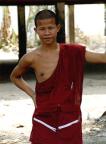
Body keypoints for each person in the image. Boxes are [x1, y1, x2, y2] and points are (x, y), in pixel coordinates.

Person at [10, 9, 106, 144]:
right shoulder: (30, 58)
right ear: (36, 30)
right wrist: (32, 94)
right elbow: (15, 77)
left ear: (58, 28)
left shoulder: (73, 52)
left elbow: (103, 58)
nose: (47, 32)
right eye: (42, 29)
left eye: (50, 28)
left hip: (69, 117)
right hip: (44, 117)